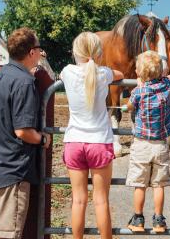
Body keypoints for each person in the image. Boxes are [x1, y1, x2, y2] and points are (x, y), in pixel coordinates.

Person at [0, 27, 51, 239]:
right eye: (39, 49)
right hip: (13, 170)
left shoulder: (1, 75)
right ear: (32, 52)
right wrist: (43, 139)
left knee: (0, 231)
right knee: (7, 235)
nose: (41, 53)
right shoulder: (24, 82)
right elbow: (23, 131)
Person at [60, 32, 124, 239]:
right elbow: (120, 74)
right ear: (98, 53)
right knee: (101, 200)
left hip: (74, 142)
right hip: (99, 143)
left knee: (78, 201)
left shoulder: (67, 72)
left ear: (75, 52)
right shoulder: (104, 73)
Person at [124, 50, 170, 233]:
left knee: (140, 184)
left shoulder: (138, 91)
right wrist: (164, 75)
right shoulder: (165, 86)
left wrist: (135, 92)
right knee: (158, 185)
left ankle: (138, 219)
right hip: (161, 144)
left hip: (141, 144)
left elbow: (129, 106)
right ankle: (159, 221)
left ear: (139, 73)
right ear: (160, 72)